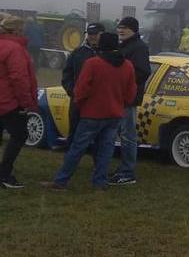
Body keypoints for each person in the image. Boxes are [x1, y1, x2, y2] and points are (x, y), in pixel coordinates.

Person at [43, 33, 136, 191]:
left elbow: (81, 88)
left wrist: (79, 103)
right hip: (114, 114)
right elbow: (131, 91)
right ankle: (100, 182)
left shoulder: (93, 63)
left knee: (77, 148)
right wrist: (121, 104)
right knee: (106, 150)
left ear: (102, 45)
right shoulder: (127, 65)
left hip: (91, 113)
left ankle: (61, 181)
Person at [110, 17, 151, 186]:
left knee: (127, 135)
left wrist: (124, 84)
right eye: (119, 27)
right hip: (117, 96)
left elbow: (143, 71)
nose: (121, 30)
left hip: (128, 98)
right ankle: (122, 169)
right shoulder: (123, 45)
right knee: (115, 133)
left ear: (134, 29)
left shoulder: (139, 47)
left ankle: (127, 172)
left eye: (125, 28)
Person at [0, 15, 38, 188]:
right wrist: (26, 102)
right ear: (17, 30)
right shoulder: (15, 49)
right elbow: (19, 78)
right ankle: (4, 174)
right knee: (19, 135)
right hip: (9, 102)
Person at [62, 22, 104, 146]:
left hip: (100, 101)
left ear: (102, 34)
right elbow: (66, 74)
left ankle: (98, 163)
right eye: (89, 34)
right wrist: (72, 91)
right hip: (78, 100)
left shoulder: (108, 54)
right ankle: (70, 160)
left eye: (95, 34)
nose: (92, 37)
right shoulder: (78, 52)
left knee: (100, 136)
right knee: (74, 131)